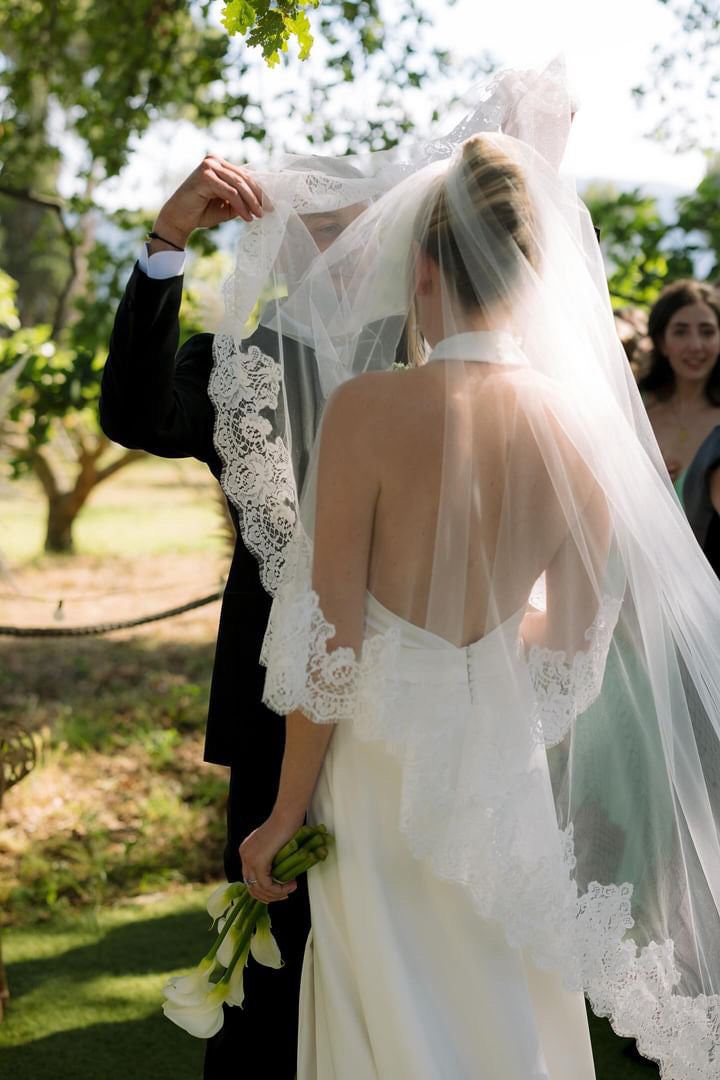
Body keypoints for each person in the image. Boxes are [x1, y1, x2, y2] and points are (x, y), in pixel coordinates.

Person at [235, 103, 720, 1077]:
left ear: (423, 267)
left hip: (378, 766)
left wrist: (283, 814)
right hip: (500, 756)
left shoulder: (368, 408)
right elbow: (580, 630)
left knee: (387, 998)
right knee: (503, 996)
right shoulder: (581, 426)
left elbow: (330, 641)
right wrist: (488, 652)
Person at [99, 75, 533, 1073]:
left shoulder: (434, 367)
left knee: (408, 968)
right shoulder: (237, 364)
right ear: (283, 241)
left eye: (362, 223)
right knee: (271, 983)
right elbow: (131, 412)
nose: (344, 242)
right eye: (319, 223)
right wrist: (166, 239)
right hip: (273, 704)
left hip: (420, 715)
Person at [639, 279, 720, 501]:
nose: (695, 345)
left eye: (707, 332)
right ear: (662, 342)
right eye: (681, 332)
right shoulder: (635, 411)